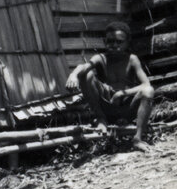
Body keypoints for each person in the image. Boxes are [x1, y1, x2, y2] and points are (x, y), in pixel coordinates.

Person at [65, 21, 154, 151]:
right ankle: (101, 119)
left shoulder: (132, 59)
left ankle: (137, 138)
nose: (114, 45)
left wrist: (122, 93)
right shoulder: (101, 58)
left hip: (127, 109)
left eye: (119, 42)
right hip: (107, 108)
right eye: (110, 41)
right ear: (104, 41)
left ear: (127, 42)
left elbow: (146, 84)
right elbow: (84, 66)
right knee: (86, 75)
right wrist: (73, 74)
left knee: (148, 91)